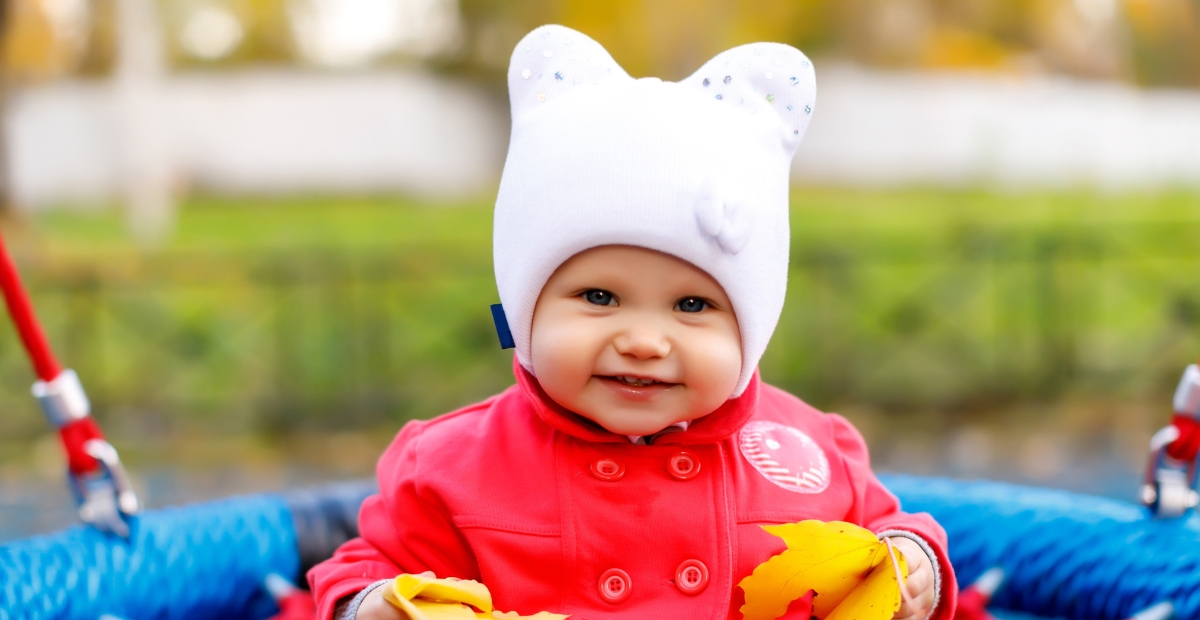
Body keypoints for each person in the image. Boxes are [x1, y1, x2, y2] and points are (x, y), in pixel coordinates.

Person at [309, 24, 958, 620]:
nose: (644, 341)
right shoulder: (450, 468)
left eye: (693, 306)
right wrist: (374, 606)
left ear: (751, 333)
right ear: (524, 312)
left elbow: (889, 529)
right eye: (597, 296)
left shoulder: (808, 454)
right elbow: (364, 567)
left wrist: (912, 565)